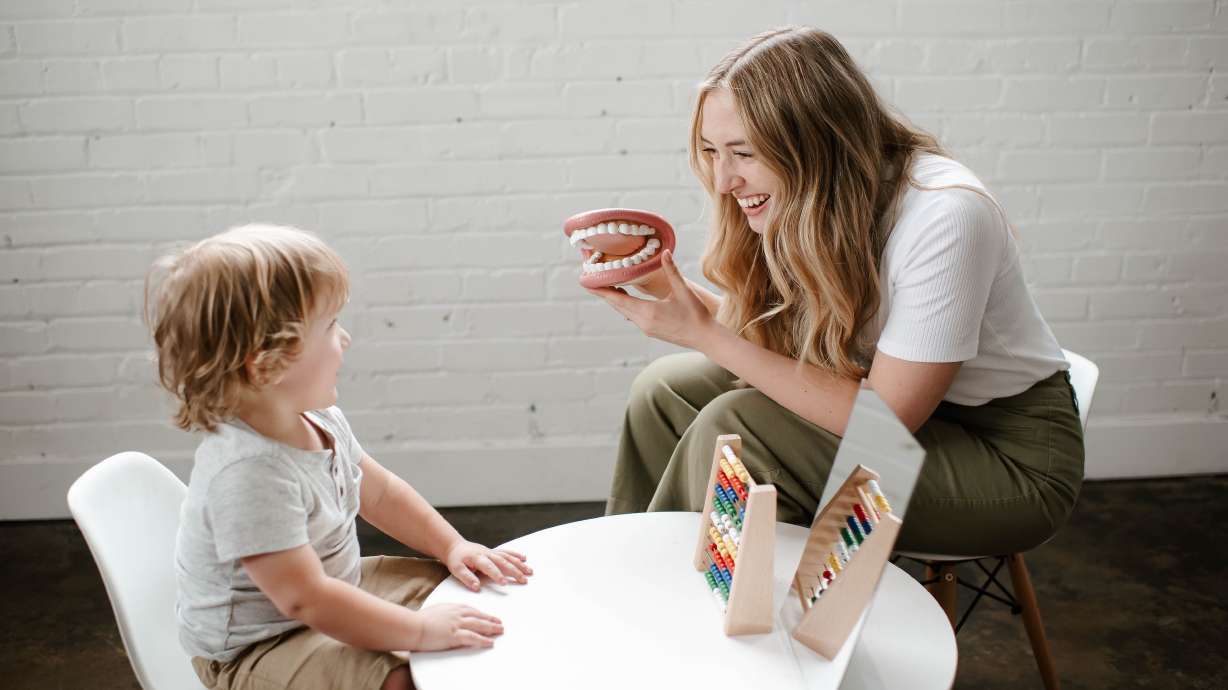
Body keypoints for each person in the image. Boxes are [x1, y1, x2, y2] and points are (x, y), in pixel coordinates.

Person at [590, 27, 1084, 557]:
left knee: (735, 426)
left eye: (745, 153)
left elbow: (891, 417)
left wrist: (706, 335)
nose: (723, 180)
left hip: (1003, 461)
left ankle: (686, 611)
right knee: (663, 391)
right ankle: (636, 570)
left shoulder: (947, 215)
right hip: (898, 415)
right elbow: (773, 342)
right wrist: (666, 289)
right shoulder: (814, 201)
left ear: (816, 144)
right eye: (712, 152)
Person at [145, 224, 531, 690]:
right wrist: (420, 632)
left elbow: (381, 492)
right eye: (329, 326)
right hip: (260, 647)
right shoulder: (247, 473)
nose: (344, 338)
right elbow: (305, 600)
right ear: (267, 361)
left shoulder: (319, 417)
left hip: (337, 588)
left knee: (467, 591)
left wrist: (451, 546)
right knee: (397, 679)